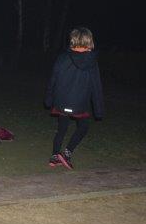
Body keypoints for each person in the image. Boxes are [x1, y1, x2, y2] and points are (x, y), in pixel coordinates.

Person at [45, 27, 104, 169]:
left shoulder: (62, 57)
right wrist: (98, 110)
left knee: (62, 128)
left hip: (62, 101)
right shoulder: (92, 61)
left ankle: (55, 156)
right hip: (79, 104)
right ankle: (67, 153)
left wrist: (49, 99)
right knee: (83, 127)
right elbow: (96, 86)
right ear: (89, 41)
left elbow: (53, 79)